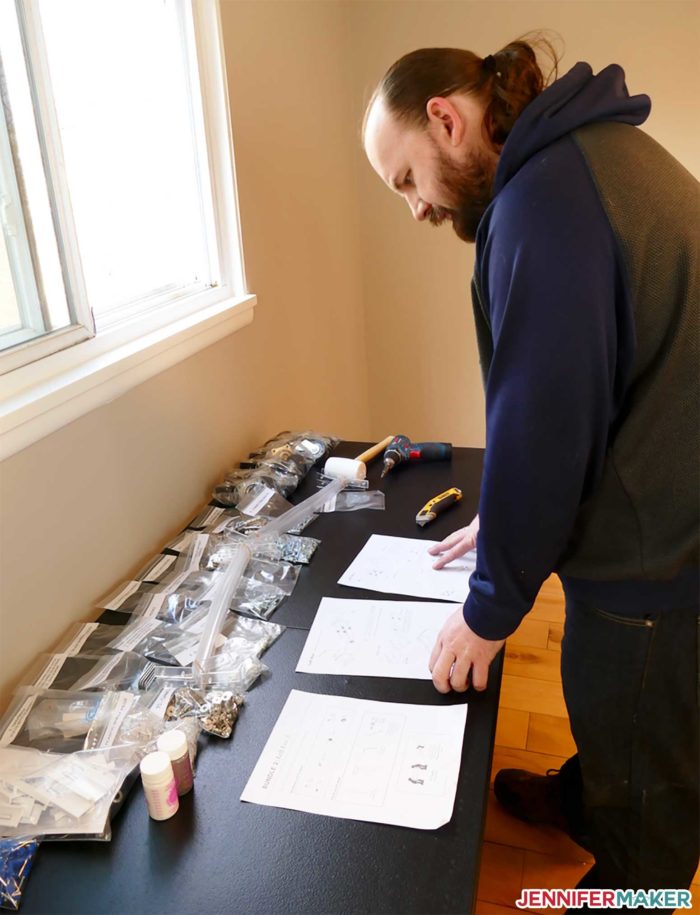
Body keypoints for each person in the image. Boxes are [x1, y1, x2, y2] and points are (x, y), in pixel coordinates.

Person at [363, 39, 699, 900]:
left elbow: (547, 426)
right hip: (662, 483)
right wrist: (507, 522)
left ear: (446, 118)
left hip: (663, 557)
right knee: (620, 717)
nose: (415, 208)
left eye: (406, 179)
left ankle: (633, 879)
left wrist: (488, 608)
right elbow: (568, 395)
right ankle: (589, 798)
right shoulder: (580, 157)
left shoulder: (547, 202)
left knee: (646, 760)